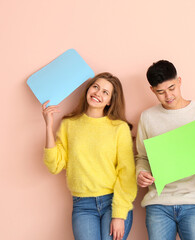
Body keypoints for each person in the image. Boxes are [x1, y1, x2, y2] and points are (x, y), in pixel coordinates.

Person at [135, 60, 195, 240]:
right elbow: (142, 157)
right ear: (152, 90)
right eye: (160, 92)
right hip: (158, 203)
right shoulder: (147, 117)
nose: (168, 96)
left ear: (180, 81)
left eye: (172, 88)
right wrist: (141, 172)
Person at [42, 72, 136, 240]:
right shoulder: (69, 125)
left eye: (105, 92)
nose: (98, 93)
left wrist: (119, 215)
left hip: (113, 202)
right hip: (82, 205)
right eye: (95, 87)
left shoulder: (119, 128)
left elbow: (126, 173)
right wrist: (48, 126)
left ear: (110, 101)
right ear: (88, 89)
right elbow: (54, 165)